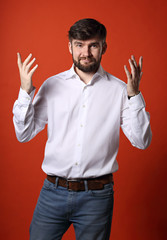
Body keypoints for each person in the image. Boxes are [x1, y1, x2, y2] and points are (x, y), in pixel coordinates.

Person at [13, 18, 152, 240]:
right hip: (52, 192)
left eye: (93, 45)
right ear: (70, 46)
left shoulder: (119, 90)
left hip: (97, 197)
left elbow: (142, 141)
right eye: (79, 44)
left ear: (104, 47)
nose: (85, 52)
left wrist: (134, 95)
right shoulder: (52, 85)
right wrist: (25, 91)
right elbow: (24, 134)